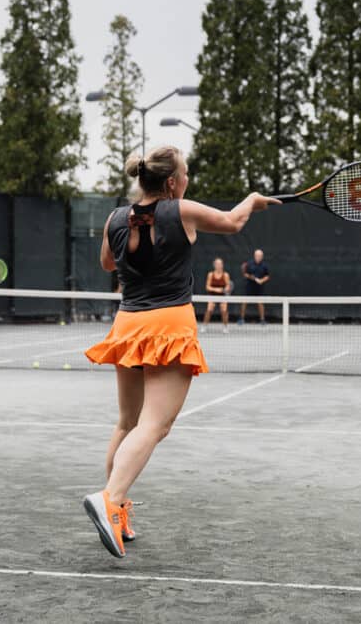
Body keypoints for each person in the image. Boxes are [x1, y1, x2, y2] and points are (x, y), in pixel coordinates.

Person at [82, 146, 277, 558]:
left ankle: (117, 508)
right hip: (169, 323)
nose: (187, 180)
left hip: (128, 323)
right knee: (154, 425)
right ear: (172, 182)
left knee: (128, 422)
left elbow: (106, 265)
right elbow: (233, 221)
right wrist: (254, 201)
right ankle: (110, 497)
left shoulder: (115, 218)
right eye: (185, 174)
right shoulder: (181, 210)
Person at [239, 248, 270, 324]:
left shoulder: (265, 265)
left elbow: (267, 276)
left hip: (259, 287)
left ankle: (262, 320)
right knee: (244, 302)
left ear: (262, 256)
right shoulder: (249, 264)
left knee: (260, 303)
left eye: (260, 256)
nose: (258, 257)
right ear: (254, 256)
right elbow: (245, 274)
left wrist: (262, 280)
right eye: (257, 255)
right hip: (249, 286)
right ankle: (241, 319)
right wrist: (252, 278)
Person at [201, 257, 232, 333]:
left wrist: (225, 289)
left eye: (220, 264)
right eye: (217, 264)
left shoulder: (226, 275)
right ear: (214, 265)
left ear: (222, 265)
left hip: (222, 296)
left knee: (224, 310)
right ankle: (204, 326)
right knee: (209, 310)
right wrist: (216, 289)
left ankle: (225, 327)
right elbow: (207, 287)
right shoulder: (210, 274)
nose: (219, 265)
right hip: (212, 296)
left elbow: (228, 286)